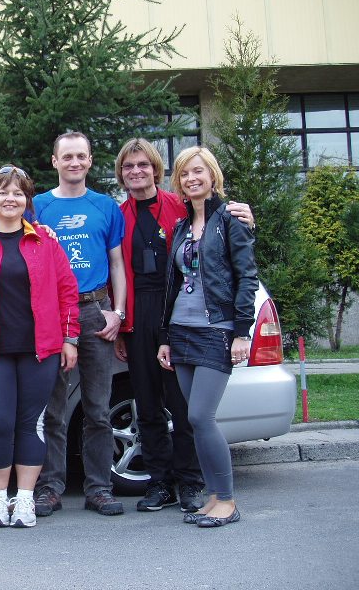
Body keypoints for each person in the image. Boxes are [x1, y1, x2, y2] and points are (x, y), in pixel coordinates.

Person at [113, 138, 255, 513]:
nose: (136, 171)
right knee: (146, 403)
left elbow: (230, 249)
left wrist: (245, 216)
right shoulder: (117, 214)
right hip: (142, 314)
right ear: (121, 174)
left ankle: (191, 482)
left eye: (144, 164)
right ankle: (160, 483)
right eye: (128, 166)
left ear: (156, 170)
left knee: (184, 406)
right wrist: (123, 322)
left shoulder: (180, 206)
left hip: (180, 310)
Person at [0, 165, 79, 527]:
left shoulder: (45, 241)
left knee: (30, 423)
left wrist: (70, 338)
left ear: (27, 200)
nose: (11, 199)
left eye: (18, 193)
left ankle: (24, 500)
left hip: (40, 349)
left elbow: (67, 291)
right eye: (3, 192)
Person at [157, 146, 258, 528]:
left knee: (202, 415)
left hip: (216, 329)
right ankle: (213, 497)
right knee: (192, 419)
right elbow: (173, 284)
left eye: (198, 171)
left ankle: (228, 501)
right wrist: (165, 336)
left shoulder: (231, 218)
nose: (191, 179)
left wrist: (241, 332)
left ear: (212, 175)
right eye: (184, 173)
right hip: (182, 330)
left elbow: (247, 277)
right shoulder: (182, 226)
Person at [31, 132, 127, 517]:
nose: (74, 162)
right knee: (52, 409)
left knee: (98, 409)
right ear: (54, 161)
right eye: (67, 156)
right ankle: (50, 488)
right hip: (52, 314)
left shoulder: (105, 206)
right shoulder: (37, 206)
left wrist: (117, 312)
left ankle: (99, 488)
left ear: (89, 161)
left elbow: (117, 263)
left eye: (81, 156)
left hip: (95, 311)